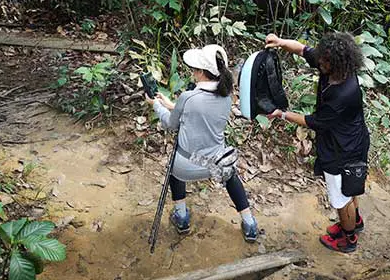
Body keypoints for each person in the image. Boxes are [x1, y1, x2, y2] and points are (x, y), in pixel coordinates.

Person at [265, 32, 370, 253]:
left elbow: (313, 122)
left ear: (336, 63)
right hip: (351, 138)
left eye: (323, 60)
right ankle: (354, 222)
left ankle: (348, 238)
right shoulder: (331, 64)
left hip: (343, 149)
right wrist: (281, 42)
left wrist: (281, 115)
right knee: (350, 189)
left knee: (340, 198)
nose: (319, 61)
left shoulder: (343, 94)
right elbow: (302, 49)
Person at [146, 45, 259, 242]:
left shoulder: (188, 98)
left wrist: (155, 104)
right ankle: (249, 223)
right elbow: (197, 113)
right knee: (231, 175)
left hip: (186, 165)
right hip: (215, 164)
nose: (193, 72)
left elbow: (171, 124)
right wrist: (170, 104)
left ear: (201, 72)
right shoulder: (227, 96)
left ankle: (181, 217)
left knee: (174, 167)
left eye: (194, 69)